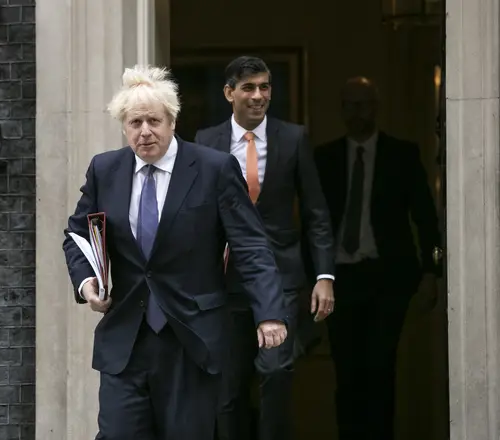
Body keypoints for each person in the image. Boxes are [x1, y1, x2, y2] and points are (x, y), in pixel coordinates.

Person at [62, 64, 289, 440]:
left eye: (154, 120)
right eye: (135, 122)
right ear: (124, 126)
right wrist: (87, 283)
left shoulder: (213, 168)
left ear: (172, 120)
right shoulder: (105, 170)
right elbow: (78, 234)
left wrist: (269, 313)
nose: (145, 131)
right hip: (126, 340)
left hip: (191, 338)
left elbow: (250, 245)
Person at [195, 56, 336, 440]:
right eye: (249, 88)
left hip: (281, 277)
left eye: (265, 87)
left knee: (276, 371)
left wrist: (325, 275)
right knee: (228, 387)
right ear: (229, 93)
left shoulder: (294, 138)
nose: (259, 96)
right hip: (225, 281)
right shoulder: (206, 142)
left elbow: (316, 211)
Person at [314, 76, 442, 440]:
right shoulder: (324, 158)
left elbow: (425, 216)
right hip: (339, 280)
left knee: (380, 369)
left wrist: (432, 271)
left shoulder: (401, 154)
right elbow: (313, 221)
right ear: (341, 111)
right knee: (347, 372)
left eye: (364, 104)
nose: (358, 113)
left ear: (376, 107)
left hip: (387, 279)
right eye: (350, 105)